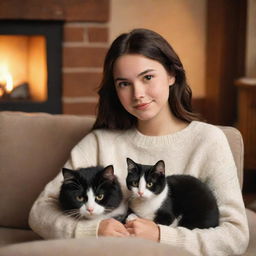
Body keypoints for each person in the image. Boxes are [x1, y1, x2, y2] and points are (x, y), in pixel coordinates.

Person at [29, 28, 249, 255]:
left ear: (172, 75)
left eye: (148, 77)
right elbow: (39, 213)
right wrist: (94, 230)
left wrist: (162, 236)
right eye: (124, 83)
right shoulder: (99, 142)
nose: (138, 94)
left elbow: (235, 236)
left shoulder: (208, 140)